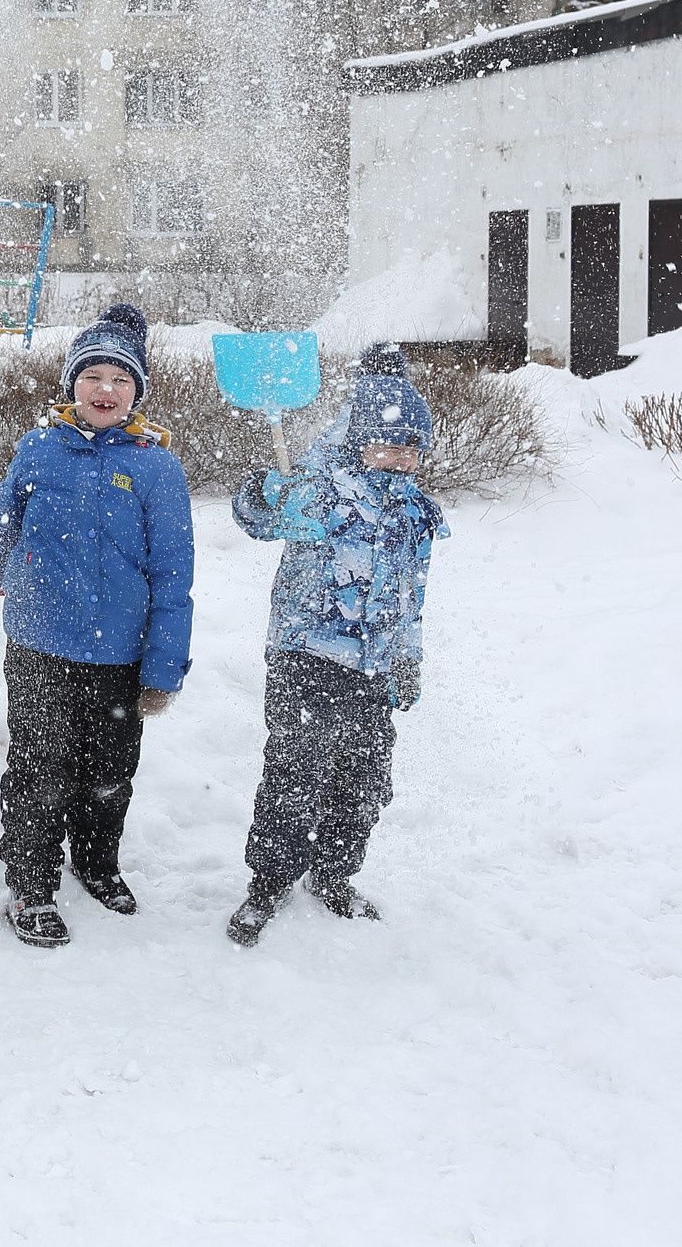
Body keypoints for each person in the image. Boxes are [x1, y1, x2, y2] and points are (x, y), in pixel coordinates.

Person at [0, 303, 193, 950]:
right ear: (72, 384)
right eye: (93, 376)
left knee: (108, 770)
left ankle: (96, 860)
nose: (106, 390)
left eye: (121, 378)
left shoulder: (156, 468)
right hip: (39, 646)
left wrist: (164, 665)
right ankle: (30, 882)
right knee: (40, 767)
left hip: (121, 654)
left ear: (138, 390)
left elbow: (174, 576)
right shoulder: (39, 449)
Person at [225, 344, 445, 947]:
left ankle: (333, 874)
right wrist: (266, 493)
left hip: (373, 671)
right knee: (295, 774)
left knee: (364, 780)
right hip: (306, 660)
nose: (401, 457)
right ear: (359, 441)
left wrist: (407, 658)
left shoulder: (416, 516)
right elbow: (257, 517)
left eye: (411, 447)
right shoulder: (320, 488)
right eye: (389, 443)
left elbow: (411, 596)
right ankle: (267, 885)